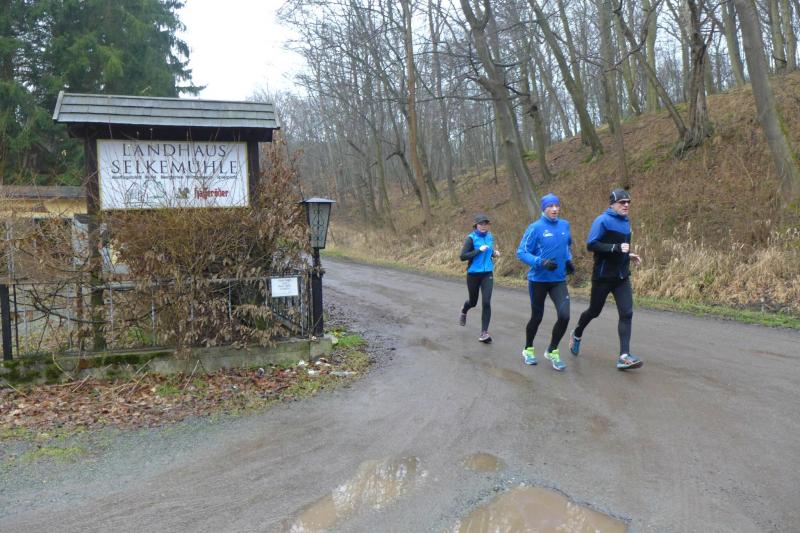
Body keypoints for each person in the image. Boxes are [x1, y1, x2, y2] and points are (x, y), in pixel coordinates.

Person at [569, 188, 643, 370]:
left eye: (628, 202)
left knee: (627, 313)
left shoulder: (626, 221)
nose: (626, 205)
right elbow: (591, 245)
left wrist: (628, 255)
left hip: (621, 276)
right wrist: (615, 248)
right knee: (594, 311)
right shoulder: (602, 220)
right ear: (612, 204)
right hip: (603, 276)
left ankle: (624, 356)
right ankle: (577, 332)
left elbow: (622, 248)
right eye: (622, 202)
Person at [516, 193, 573, 371]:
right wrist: (540, 262)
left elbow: (567, 246)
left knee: (564, 316)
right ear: (544, 208)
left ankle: (552, 350)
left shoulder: (565, 225)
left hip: (558, 280)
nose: (554, 209)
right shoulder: (535, 228)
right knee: (537, 317)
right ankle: (528, 349)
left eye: (557, 205)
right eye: (550, 206)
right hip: (538, 280)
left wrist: (569, 261)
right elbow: (521, 252)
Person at [459, 213, 500, 343]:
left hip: (487, 273)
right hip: (473, 274)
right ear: (476, 225)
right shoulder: (471, 239)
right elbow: (463, 256)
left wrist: (494, 253)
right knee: (473, 302)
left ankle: (484, 333)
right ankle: (464, 309)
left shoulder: (490, 236)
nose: (483, 226)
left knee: (486, 302)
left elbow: (488, 251)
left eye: (485, 223)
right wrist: (479, 250)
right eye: (481, 224)